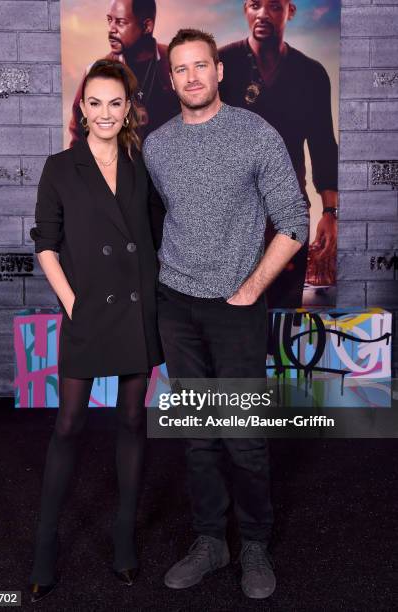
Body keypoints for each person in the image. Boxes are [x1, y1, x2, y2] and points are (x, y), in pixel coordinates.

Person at [143, 29, 308, 600]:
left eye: (201, 66)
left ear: (219, 71)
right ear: (172, 79)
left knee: (242, 436)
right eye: (181, 69)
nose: (191, 77)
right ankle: (211, 541)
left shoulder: (255, 134)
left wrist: (251, 288)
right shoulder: (157, 146)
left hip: (236, 308)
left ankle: (255, 545)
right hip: (176, 306)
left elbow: (294, 219)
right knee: (198, 435)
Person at [28, 59, 163, 601]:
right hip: (87, 312)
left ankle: (124, 541)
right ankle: (44, 548)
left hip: (136, 309)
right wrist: (72, 302)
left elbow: (157, 233)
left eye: (115, 103)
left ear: (127, 108)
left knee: (132, 419)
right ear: (81, 108)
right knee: (67, 425)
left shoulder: (142, 162)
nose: (105, 113)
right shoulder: (60, 167)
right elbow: (46, 243)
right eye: (94, 103)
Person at [219, 0, 338, 307]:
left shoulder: (310, 74)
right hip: (232, 213)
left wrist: (330, 212)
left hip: (289, 215)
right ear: (245, 9)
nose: (262, 14)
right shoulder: (221, 64)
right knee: (231, 316)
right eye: (254, 5)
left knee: (283, 319)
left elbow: (323, 146)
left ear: (290, 11)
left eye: (273, 6)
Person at [68, 0, 180, 146]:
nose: (111, 29)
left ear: (147, 26)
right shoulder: (95, 73)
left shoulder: (176, 61)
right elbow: (79, 135)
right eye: (110, 20)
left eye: (120, 22)